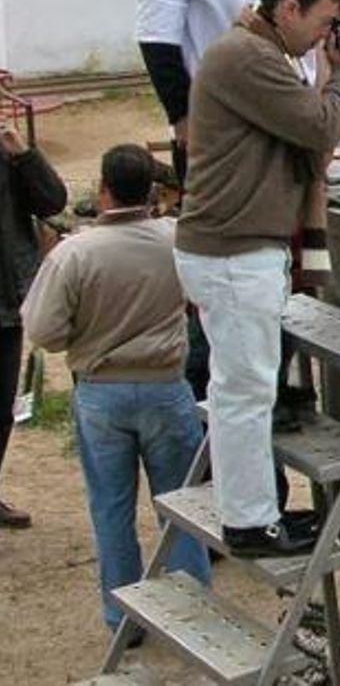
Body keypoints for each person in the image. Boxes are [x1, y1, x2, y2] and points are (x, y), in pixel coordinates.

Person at [174, 0, 340, 557]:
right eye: (322, 24)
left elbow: (311, 133)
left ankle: (257, 513)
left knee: (245, 388)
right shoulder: (247, 58)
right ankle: (250, 523)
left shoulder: (257, 53)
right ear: (288, 8)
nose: (325, 37)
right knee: (245, 394)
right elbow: (319, 129)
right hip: (235, 254)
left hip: (236, 250)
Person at [135, 0, 332, 414]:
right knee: (227, 279)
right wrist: (183, 121)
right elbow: (158, 32)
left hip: (290, 119)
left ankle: (280, 393)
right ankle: (207, 408)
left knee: (288, 269)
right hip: (223, 132)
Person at [21, 145, 210, 634]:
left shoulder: (73, 254)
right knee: (182, 503)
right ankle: (195, 614)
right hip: (166, 386)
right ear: (151, 190)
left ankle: (124, 619)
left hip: (102, 392)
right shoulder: (175, 239)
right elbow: (204, 294)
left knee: (111, 508)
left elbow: (44, 331)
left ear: (103, 190)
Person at [0, 71, 68, 530]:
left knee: (1, 406)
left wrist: (23, 154)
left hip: (6, 299)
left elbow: (52, 200)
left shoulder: (8, 151)